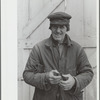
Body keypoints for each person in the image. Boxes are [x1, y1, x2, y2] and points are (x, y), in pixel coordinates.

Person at [23, 12, 94, 100]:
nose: (58, 31)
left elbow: (88, 73)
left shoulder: (77, 49)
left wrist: (75, 81)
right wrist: (46, 77)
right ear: (50, 28)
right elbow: (27, 75)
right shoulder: (39, 49)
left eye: (62, 27)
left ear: (67, 28)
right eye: (55, 27)